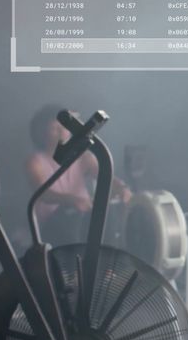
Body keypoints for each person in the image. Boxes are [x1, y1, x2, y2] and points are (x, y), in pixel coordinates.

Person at [26, 105, 131, 246]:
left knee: (106, 216)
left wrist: (121, 188)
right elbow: (43, 194)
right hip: (53, 224)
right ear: (41, 133)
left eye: (63, 127)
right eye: (54, 129)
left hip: (84, 217)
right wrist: (71, 200)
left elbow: (104, 177)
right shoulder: (34, 162)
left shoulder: (83, 156)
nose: (61, 132)